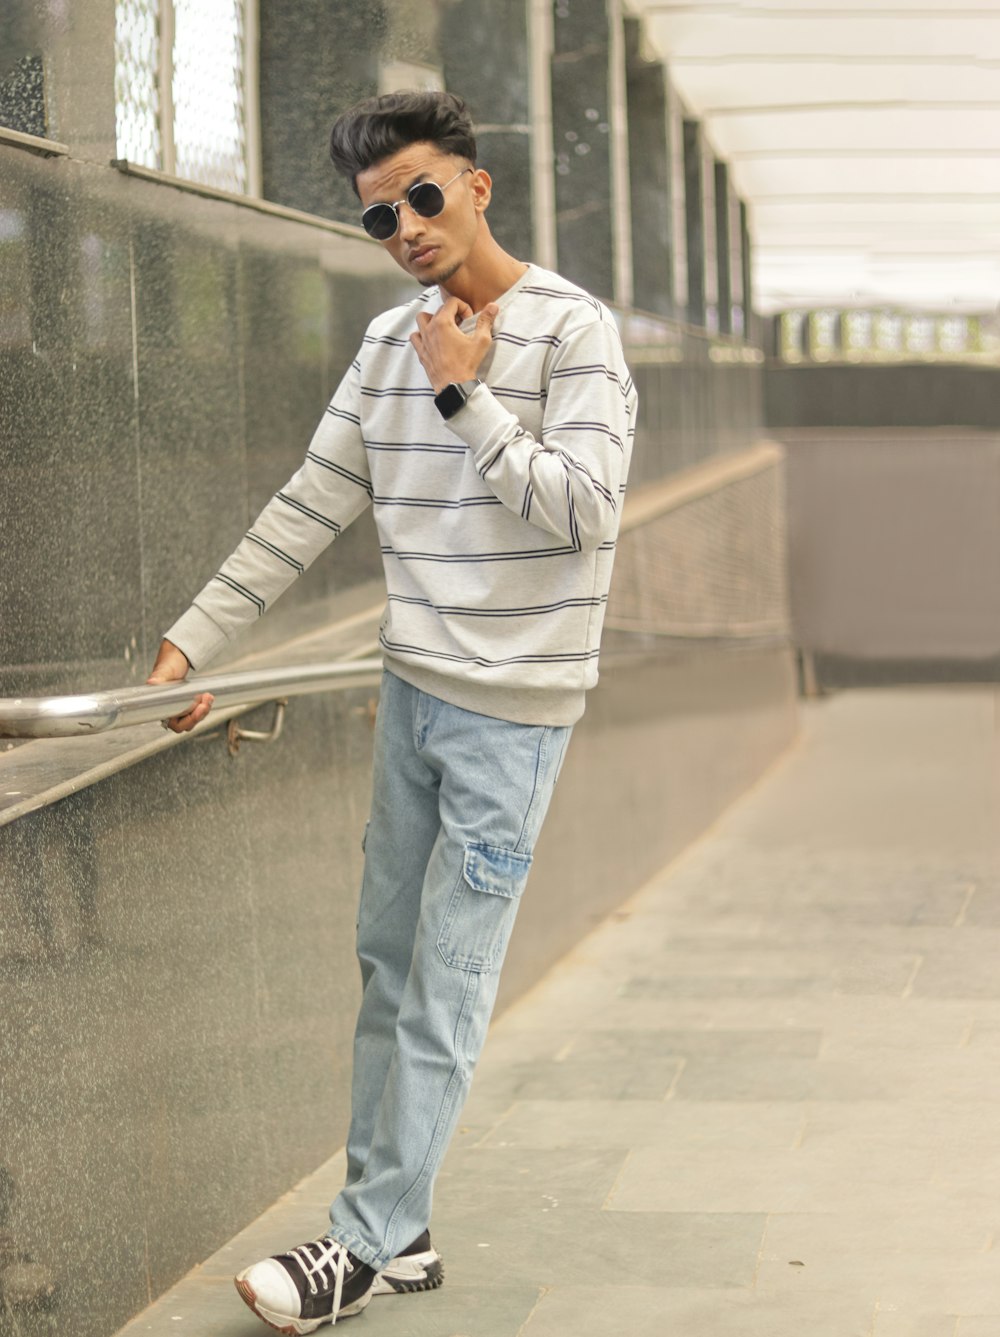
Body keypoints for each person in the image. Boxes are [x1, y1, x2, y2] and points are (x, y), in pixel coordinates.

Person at [147, 89, 636, 1332]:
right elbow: (304, 507)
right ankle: (401, 1228)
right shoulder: (384, 347)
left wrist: (468, 396)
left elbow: (583, 512)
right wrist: (189, 639)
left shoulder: (574, 332)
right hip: (413, 692)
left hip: (512, 715)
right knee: (388, 968)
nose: (406, 226)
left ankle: (356, 1246)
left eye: (423, 194)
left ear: (476, 185)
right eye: (379, 215)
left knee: (448, 985)